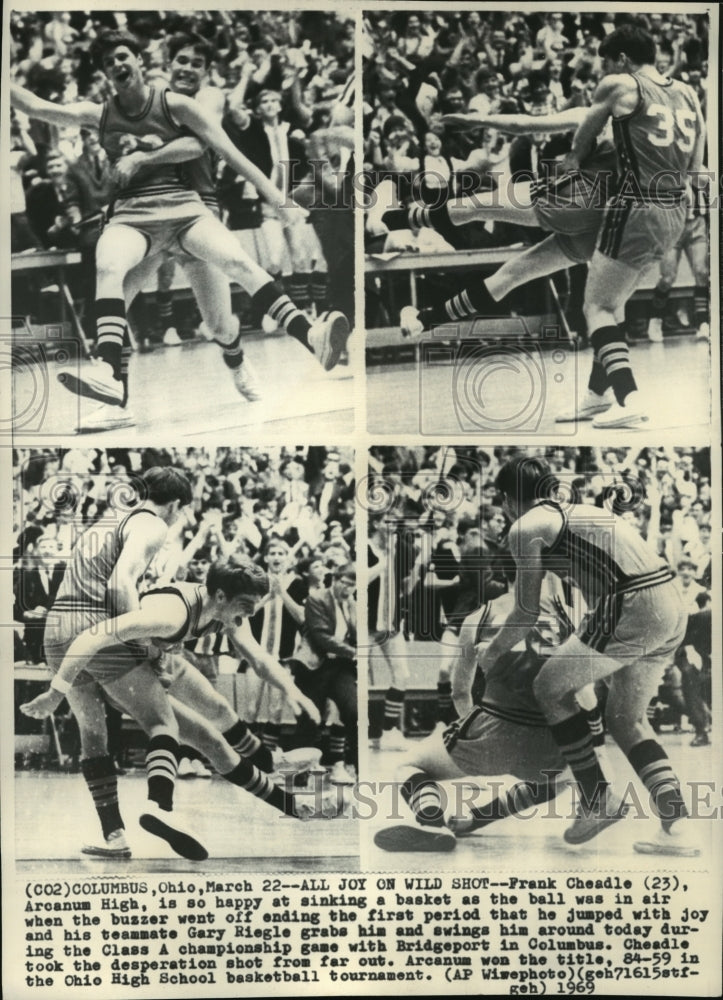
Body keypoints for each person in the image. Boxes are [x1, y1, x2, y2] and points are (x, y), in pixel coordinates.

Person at [10, 30, 350, 428]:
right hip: (134, 217)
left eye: (123, 56)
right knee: (109, 275)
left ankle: (298, 340)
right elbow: (36, 105)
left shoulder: (188, 102)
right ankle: (113, 389)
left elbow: (222, 150)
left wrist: (279, 199)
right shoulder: (101, 112)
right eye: (108, 63)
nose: (117, 65)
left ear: (139, 59)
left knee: (224, 308)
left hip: (189, 209)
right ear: (162, 65)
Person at [21, 553, 341, 860]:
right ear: (219, 596)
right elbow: (93, 637)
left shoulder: (226, 609)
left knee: (210, 734)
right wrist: (55, 691)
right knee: (154, 725)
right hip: (82, 640)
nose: (249, 616)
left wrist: (295, 693)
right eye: (244, 607)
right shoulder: (170, 614)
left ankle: (284, 793)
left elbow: (258, 659)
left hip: (120, 644)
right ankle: (158, 806)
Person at [476, 455, 697, 856]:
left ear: (508, 499)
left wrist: (489, 655)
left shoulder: (525, 526)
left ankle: (598, 799)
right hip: (670, 605)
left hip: (633, 603)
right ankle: (676, 826)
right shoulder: (579, 510)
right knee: (626, 719)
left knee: (547, 687)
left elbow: (525, 612)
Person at [374, 573, 602, 853]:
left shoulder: (478, 618)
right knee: (562, 779)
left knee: (408, 765)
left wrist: (473, 738)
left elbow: (459, 692)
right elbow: (587, 695)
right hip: (551, 736)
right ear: (546, 574)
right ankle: (475, 819)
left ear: (501, 578)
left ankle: (432, 821)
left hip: (493, 729)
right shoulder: (568, 616)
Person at [559, 23, 704, 428]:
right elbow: (697, 161)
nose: (602, 69)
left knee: (597, 306)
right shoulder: (690, 92)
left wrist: (574, 159)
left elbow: (585, 130)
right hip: (676, 208)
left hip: (637, 207)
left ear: (621, 59)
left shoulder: (620, 84)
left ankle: (628, 399)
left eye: (606, 60)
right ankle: (595, 395)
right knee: (615, 298)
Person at [303, 562, 358, 781]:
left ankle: (357, 768)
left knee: (354, 712)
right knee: (308, 720)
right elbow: (321, 636)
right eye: (344, 584)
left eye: (352, 586)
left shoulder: (353, 604)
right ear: (334, 580)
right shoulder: (316, 598)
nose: (348, 589)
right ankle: (300, 774)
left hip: (341, 667)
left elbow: (358, 634)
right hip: (314, 665)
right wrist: (353, 652)